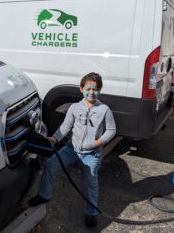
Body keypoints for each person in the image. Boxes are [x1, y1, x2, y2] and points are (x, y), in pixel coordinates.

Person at [28, 72, 116, 228]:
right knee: (50, 165)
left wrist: (99, 142)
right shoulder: (75, 108)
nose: (91, 92)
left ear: (99, 90)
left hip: (92, 154)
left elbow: (111, 130)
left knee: (91, 181)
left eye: (95, 89)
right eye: (88, 88)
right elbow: (65, 127)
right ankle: (44, 195)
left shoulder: (104, 110)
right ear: (81, 89)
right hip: (71, 149)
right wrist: (54, 139)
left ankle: (91, 212)